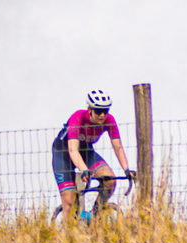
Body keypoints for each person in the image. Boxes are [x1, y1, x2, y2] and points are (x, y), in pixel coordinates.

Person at [52, 89, 132, 225]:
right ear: (89, 109)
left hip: (85, 151)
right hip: (64, 152)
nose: (102, 115)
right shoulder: (78, 117)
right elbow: (72, 150)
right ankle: (66, 239)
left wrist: (126, 170)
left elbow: (118, 147)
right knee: (68, 202)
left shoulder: (109, 120)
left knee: (110, 180)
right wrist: (84, 169)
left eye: (105, 111)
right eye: (98, 111)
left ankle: (95, 216)